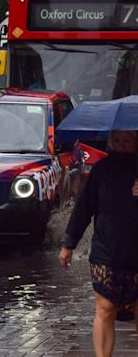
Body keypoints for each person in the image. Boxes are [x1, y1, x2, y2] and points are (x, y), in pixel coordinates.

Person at [59, 130, 138, 357]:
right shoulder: (102, 170)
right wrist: (68, 244)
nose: (122, 145)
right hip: (107, 252)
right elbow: (84, 208)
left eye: (128, 140)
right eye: (118, 141)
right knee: (105, 309)